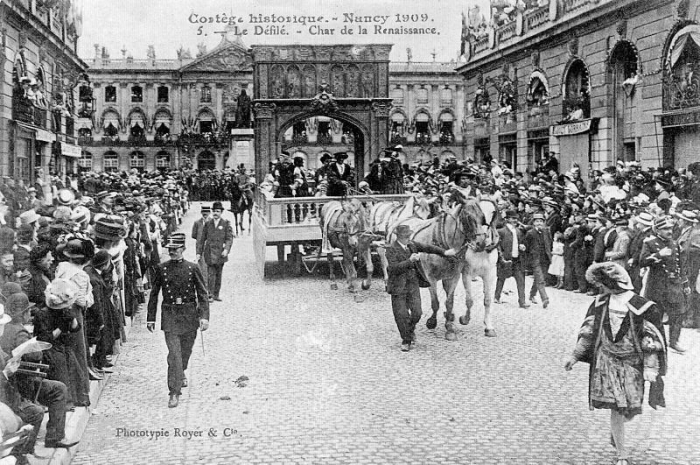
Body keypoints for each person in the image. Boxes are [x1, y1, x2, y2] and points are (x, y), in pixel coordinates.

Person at [565, 262, 667, 465]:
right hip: (607, 362)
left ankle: (616, 431)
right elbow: (589, 332)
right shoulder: (600, 303)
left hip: (632, 365)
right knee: (616, 408)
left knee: (632, 408)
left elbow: (651, 341)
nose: (600, 288)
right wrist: (575, 356)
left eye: (603, 284)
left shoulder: (644, 307)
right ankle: (622, 454)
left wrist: (650, 367)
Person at [0, 291, 75, 452]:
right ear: (23, 314)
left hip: (16, 380)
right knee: (59, 390)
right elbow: (35, 355)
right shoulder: (20, 332)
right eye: (28, 311)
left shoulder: (6, 329)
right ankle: (53, 438)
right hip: (21, 383)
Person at [147, 233, 209, 408]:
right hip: (170, 314)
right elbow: (154, 294)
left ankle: (181, 372)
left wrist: (204, 316)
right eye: (170, 249)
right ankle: (174, 392)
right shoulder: (161, 268)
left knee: (185, 351)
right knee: (174, 355)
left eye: (175, 249)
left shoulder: (193, 268)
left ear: (183, 249)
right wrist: (150, 318)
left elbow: (202, 294)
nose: (172, 252)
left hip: (189, 314)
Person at [385, 225, 457, 352]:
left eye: (409, 236)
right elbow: (392, 268)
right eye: (406, 237)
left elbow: (428, 248)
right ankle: (406, 340)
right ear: (400, 237)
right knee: (401, 315)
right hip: (398, 287)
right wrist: (410, 260)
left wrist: (444, 252)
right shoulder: (391, 249)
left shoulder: (412, 245)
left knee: (417, 313)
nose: (409, 238)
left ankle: (410, 329)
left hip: (413, 285)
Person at [639, 217, 690, 354]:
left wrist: (685, 283)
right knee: (656, 314)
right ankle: (656, 340)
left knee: (678, 312)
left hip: (674, 285)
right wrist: (659, 254)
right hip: (657, 285)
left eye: (670, 228)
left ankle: (674, 341)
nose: (669, 231)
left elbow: (681, 266)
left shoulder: (674, 244)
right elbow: (642, 261)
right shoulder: (649, 243)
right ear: (657, 230)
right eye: (665, 229)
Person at [196, 202, 233, 302]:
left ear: (221, 212)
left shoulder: (225, 224)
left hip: (221, 254)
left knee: (219, 275)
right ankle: (210, 294)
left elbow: (229, 238)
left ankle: (216, 294)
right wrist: (199, 253)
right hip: (210, 253)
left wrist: (226, 250)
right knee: (211, 274)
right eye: (214, 211)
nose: (215, 213)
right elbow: (202, 239)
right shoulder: (208, 224)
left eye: (218, 211)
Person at [494, 210, 528, 308]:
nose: (515, 220)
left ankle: (522, 302)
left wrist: (522, 246)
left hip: (517, 258)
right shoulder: (501, 231)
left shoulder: (518, 231)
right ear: (507, 219)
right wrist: (501, 257)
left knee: (521, 280)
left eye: (516, 219)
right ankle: (496, 297)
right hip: (506, 259)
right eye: (513, 218)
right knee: (501, 278)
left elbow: (521, 242)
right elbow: (498, 246)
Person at [524, 213, 552, 308]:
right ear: (533, 223)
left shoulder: (547, 232)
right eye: (537, 221)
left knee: (539, 277)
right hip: (535, 259)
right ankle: (545, 298)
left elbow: (550, 243)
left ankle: (532, 295)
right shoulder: (530, 233)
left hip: (545, 258)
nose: (539, 223)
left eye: (541, 221)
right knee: (540, 279)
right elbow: (526, 247)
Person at [191, 204, 211, 288]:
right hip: (200, 249)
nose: (205, 214)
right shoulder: (197, 223)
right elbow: (194, 235)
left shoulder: (213, 222)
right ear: (201, 212)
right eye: (203, 212)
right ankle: (204, 289)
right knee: (202, 269)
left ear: (209, 213)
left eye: (206, 212)